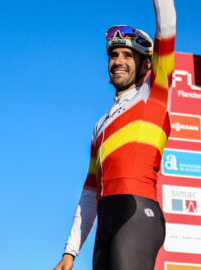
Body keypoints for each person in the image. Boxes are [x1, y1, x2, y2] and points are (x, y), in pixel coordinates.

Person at [54, 0, 176, 269]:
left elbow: (167, 24)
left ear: (146, 64)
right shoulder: (99, 125)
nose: (118, 61)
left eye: (127, 55)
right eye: (114, 55)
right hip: (106, 221)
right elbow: (89, 192)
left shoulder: (153, 95)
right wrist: (70, 251)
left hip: (138, 213)